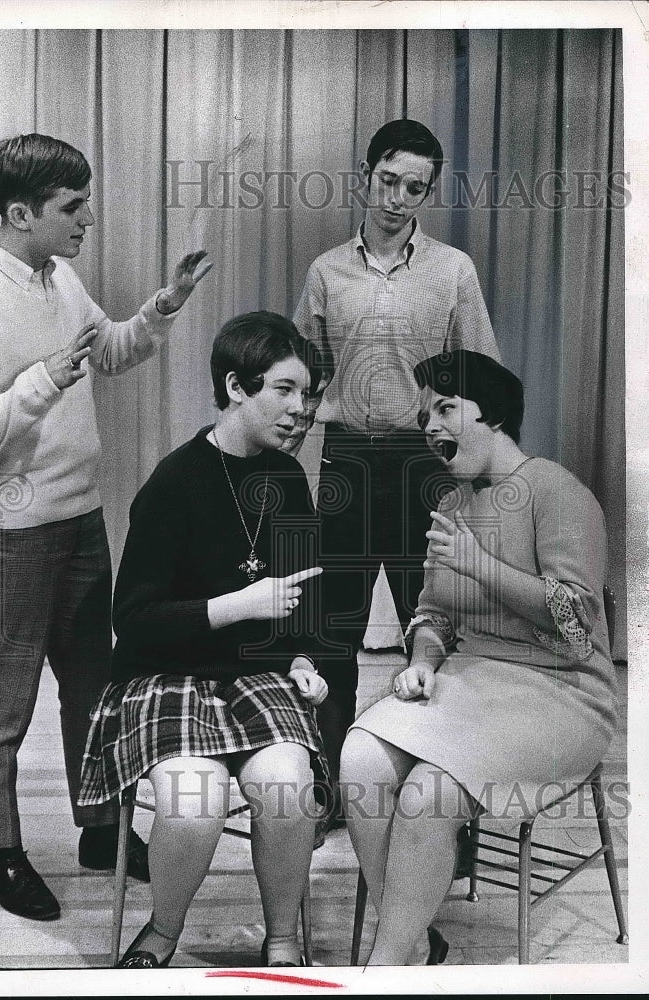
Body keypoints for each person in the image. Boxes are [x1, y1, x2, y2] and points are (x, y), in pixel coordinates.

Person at [0, 133, 212, 921]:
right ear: (21, 212)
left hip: (80, 517)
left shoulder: (58, 274)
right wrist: (45, 378)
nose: (89, 217)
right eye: (72, 206)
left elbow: (109, 352)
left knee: (93, 686)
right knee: (5, 700)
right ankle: (1, 854)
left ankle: (100, 827)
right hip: (10, 532)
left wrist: (163, 306)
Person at [339, 349, 618, 965]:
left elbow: (577, 628)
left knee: (430, 793)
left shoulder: (557, 491)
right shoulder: (454, 505)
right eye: (424, 418)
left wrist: (480, 565)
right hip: (473, 683)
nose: (431, 428)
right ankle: (409, 943)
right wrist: (422, 661)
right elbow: (434, 617)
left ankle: (383, 968)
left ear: (491, 416)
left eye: (445, 410)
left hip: (564, 692)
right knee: (360, 760)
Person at [78, 312, 330, 968]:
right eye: (283, 390)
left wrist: (301, 656)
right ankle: (162, 930)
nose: (299, 410)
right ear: (235, 387)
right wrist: (234, 606)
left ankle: (281, 938)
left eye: (306, 394)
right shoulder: (173, 482)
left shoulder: (290, 480)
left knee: (286, 784)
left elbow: (304, 604)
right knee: (195, 801)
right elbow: (133, 622)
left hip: (254, 675)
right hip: (163, 675)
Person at [290, 118, 502, 834]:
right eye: (388, 180)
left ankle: (436, 801)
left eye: (415, 187)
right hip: (347, 460)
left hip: (423, 468)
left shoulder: (452, 270)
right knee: (331, 630)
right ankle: (327, 787)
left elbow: (480, 382)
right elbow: (301, 380)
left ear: (428, 192)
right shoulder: (326, 272)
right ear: (366, 174)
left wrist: (482, 481)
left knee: (435, 628)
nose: (399, 197)